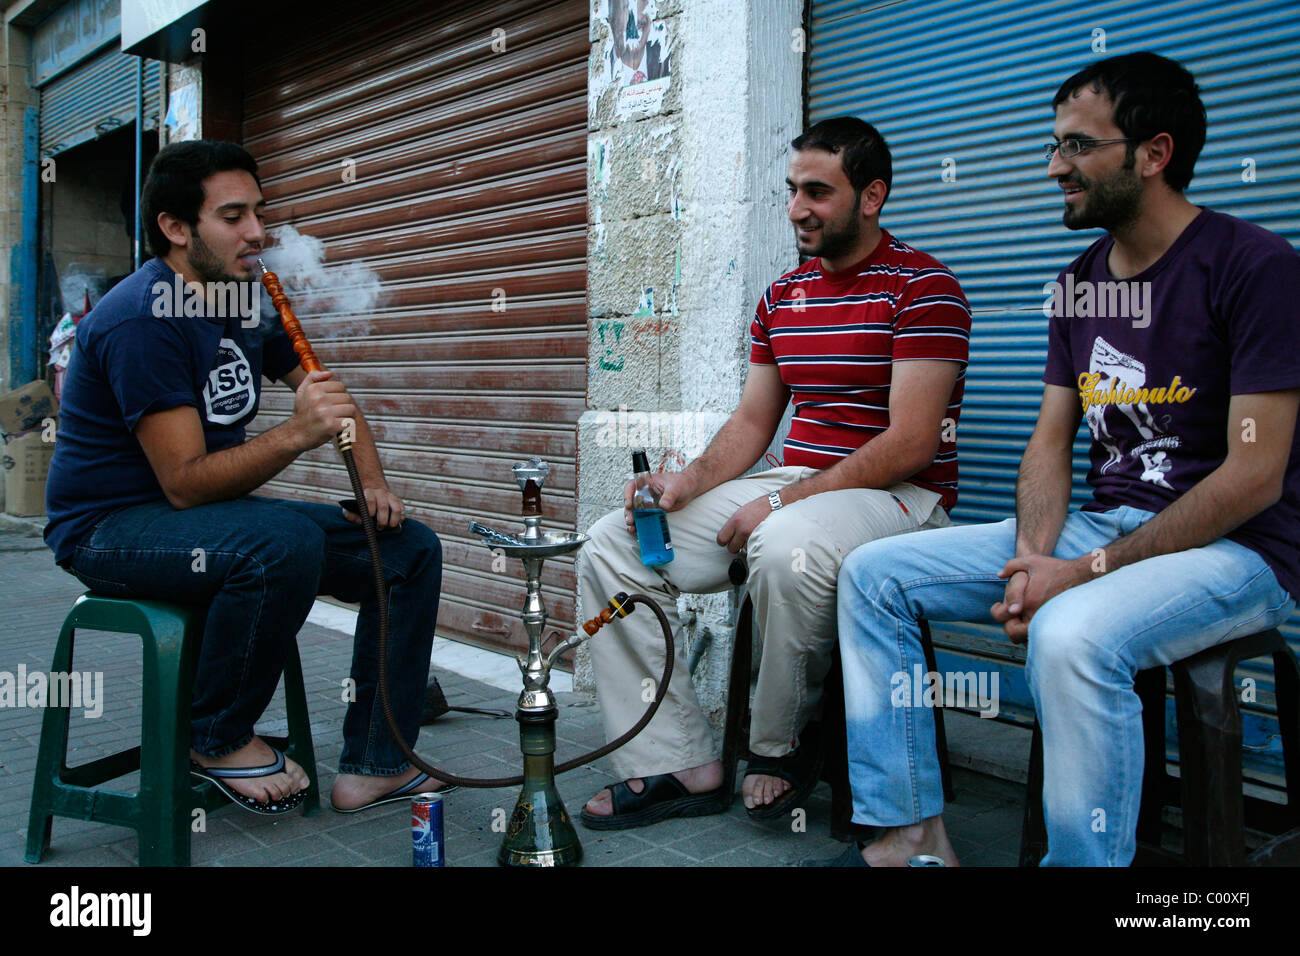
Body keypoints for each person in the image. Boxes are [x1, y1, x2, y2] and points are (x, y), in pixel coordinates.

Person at [819, 52, 1300, 867]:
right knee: (873, 575)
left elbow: (1254, 475)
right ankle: (908, 837)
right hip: (1105, 529)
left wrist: (1077, 578)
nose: (1054, 167)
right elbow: (1049, 441)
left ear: (1153, 153)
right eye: (1055, 146)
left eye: (1077, 147)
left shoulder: (1256, 268)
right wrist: (1034, 561)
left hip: (1239, 551)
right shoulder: (1079, 283)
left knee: (1073, 634)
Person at [579, 117, 972, 828]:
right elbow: (754, 424)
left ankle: (779, 746)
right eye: (792, 190)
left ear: (873, 195)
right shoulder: (783, 296)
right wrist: (685, 484)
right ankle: (678, 760)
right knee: (614, 541)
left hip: (903, 499)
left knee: (787, 546)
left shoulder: (924, 287)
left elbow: (913, 442)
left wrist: (784, 501)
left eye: (817, 192)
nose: (797, 208)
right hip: (799, 483)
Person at [43, 140, 446, 815]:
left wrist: (372, 484)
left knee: (406, 551)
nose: (258, 232)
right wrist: (296, 433)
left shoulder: (246, 295)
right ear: (175, 228)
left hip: (202, 518)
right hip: (108, 530)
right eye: (233, 217)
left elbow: (329, 398)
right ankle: (216, 735)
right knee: (282, 542)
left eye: (258, 212)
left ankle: (377, 761)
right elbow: (184, 485)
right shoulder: (145, 318)